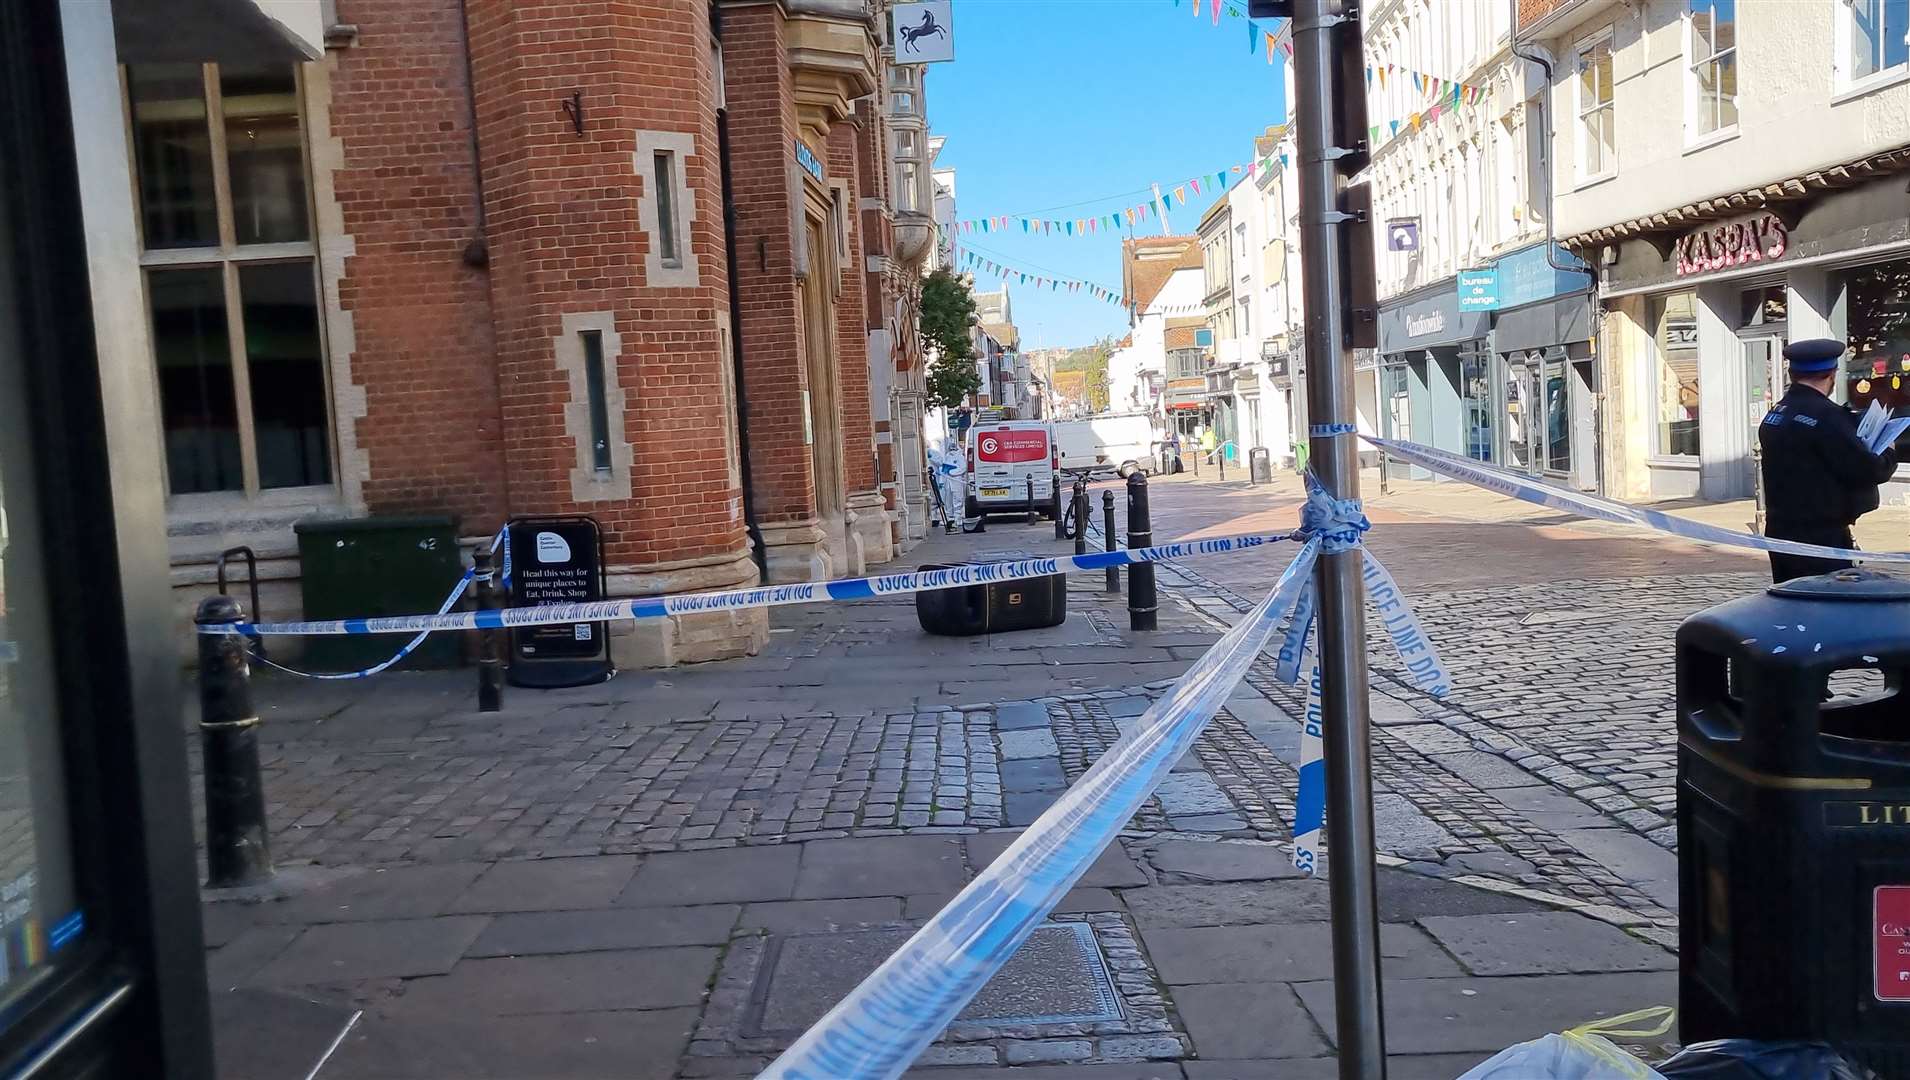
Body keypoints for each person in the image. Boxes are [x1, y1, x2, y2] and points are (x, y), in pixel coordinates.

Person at [1758, 338, 1898, 583]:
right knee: (1825, 606)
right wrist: (1888, 450)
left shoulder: (1777, 412)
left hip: (1781, 529)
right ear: (1831, 374)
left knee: (1790, 601)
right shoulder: (1827, 417)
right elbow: (1867, 469)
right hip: (1821, 535)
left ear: (1792, 372)